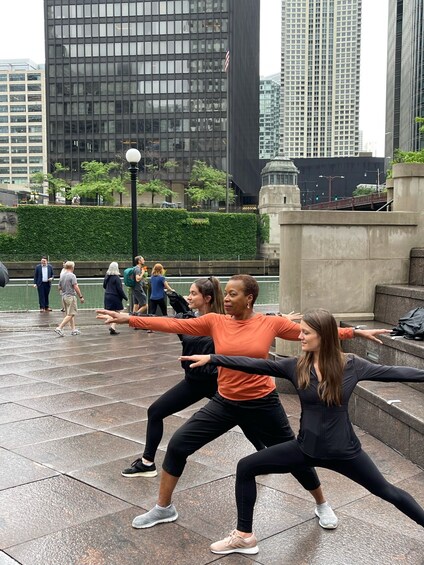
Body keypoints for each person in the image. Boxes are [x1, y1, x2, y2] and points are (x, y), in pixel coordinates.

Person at [97, 274, 390, 531]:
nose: (226, 298)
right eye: (226, 293)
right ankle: (163, 508)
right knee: (178, 445)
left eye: (233, 294)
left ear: (249, 298)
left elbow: (316, 333)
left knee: (296, 457)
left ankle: (322, 503)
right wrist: (129, 319)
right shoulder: (215, 322)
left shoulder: (269, 323)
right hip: (225, 401)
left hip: (263, 403)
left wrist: (354, 332)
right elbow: (172, 321)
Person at [181, 308, 424, 555]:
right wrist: (214, 358)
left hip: (345, 452)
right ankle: (244, 537)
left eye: (306, 332)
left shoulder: (351, 365)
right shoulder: (296, 367)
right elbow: (254, 364)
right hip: (306, 449)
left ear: (323, 335)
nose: (300, 337)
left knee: (388, 492)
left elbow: (396, 372)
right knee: (246, 467)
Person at [55, 261, 84, 336]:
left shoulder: (62, 276)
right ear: (72, 267)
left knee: (70, 314)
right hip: (70, 296)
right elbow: (75, 286)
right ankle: (59, 327)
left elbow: (59, 287)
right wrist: (81, 296)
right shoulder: (72, 276)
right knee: (71, 313)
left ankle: (73, 329)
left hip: (64, 296)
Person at [103, 261, 127, 336]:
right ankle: (113, 327)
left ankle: (112, 326)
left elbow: (104, 286)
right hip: (115, 297)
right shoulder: (117, 278)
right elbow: (119, 289)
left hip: (107, 295)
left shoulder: (107, 276)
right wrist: (125, 297)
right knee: (117, 313)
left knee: (111, 312)